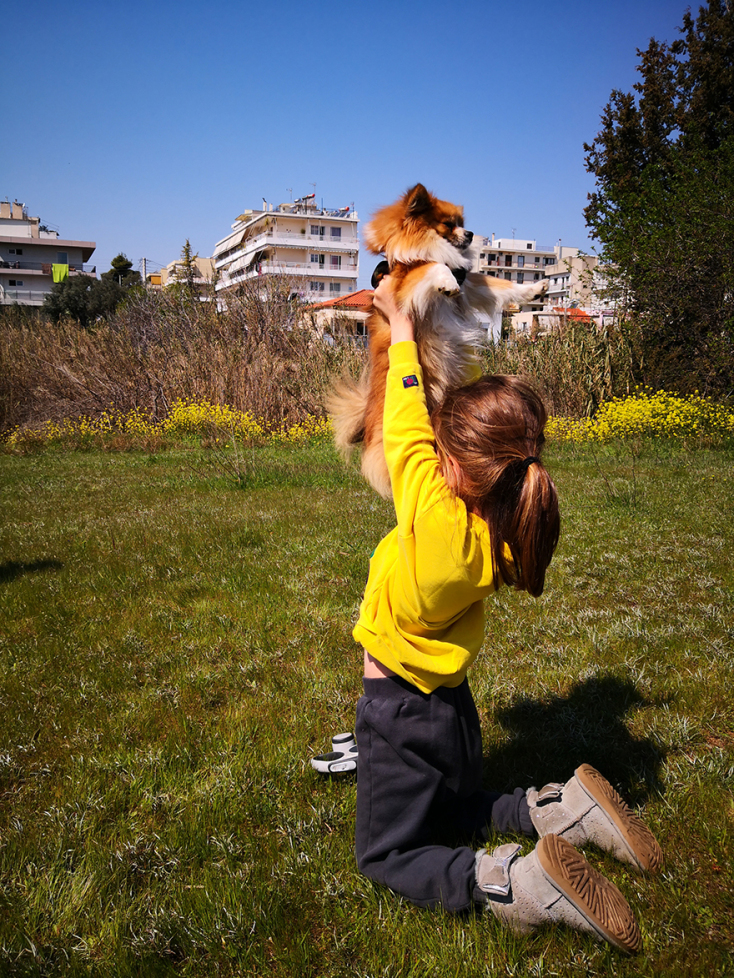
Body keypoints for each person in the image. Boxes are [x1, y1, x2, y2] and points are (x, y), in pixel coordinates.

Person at [351, 274, 662, 954]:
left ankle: (517, 883)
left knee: (386, 854)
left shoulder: (435, 518)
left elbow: (403, 425)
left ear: (457, 470)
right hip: (453, 709)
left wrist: (401, 331)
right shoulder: (497, 531)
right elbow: (418, 436)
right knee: (461, 809)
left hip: (399, 713)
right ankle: (563, 811)